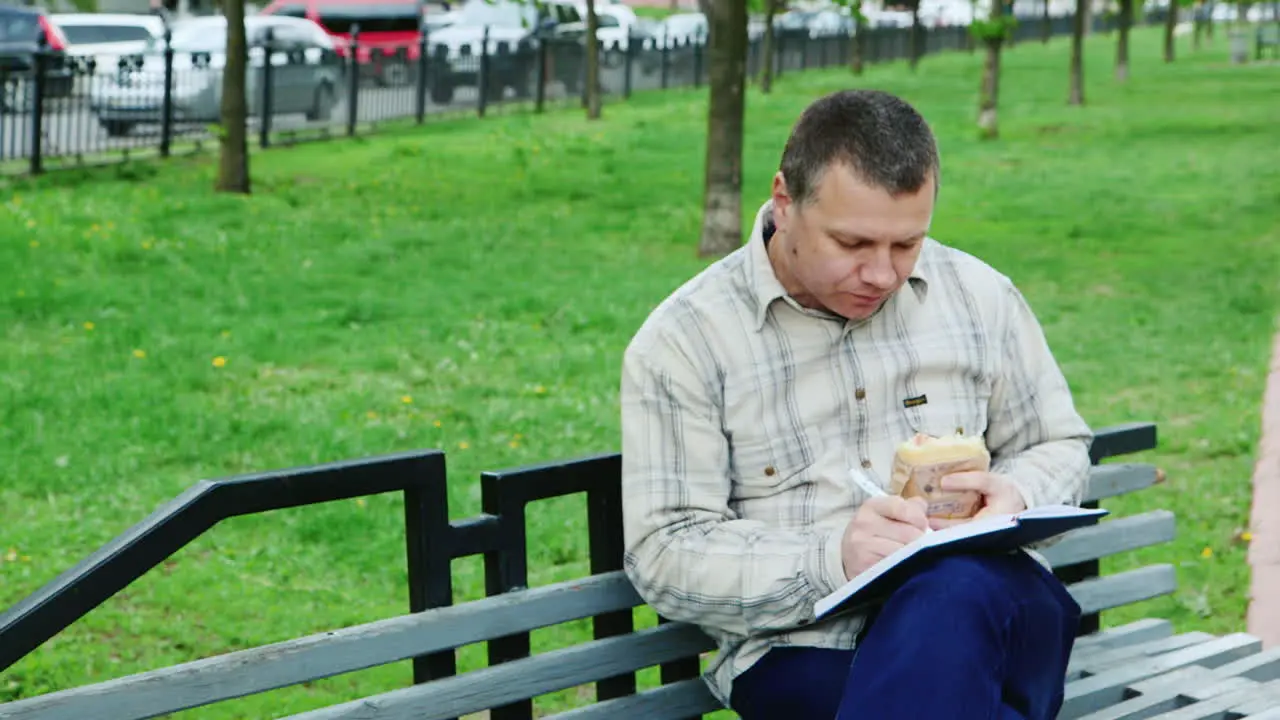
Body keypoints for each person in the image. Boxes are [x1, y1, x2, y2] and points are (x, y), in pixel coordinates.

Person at [619, 89, 1094, 720]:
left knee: (954, 588)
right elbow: (665, 551)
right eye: (853, 244)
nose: (882, 274)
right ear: (785, 201)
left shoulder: (980, 297)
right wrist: (834, 557)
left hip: (996, 611)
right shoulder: (687, 342)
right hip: (805, 647)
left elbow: (1058, 443)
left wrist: (1017, 497)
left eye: (907, 245)